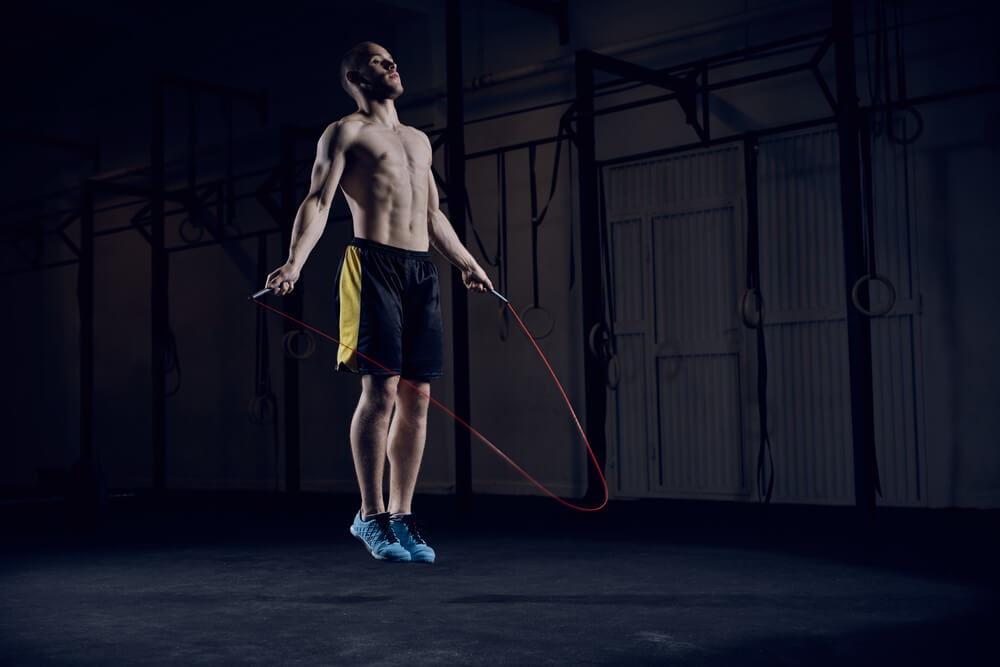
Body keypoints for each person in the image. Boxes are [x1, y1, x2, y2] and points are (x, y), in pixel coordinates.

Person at [265, 42, 493, 563]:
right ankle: (369, 516)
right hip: (372, 265)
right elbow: (318, 201)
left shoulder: (418, 140)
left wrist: (467, 262)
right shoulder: (344, 132)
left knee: (418, 397)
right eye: (377, 60)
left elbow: (433, 214)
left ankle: (402, 516)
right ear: (354, 76)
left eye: (392, 58)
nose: (391, 64)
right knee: (382, 389)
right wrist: (295, 262)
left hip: (420, 269)